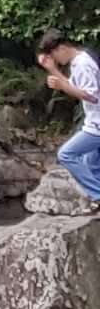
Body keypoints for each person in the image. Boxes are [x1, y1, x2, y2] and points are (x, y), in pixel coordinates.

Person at [38, 34, 100, 199]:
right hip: (94, 121)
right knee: (92, 165)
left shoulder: (82, 64)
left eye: (54, 56)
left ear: (62, 48)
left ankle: (97, 196)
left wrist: (61, 86)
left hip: (97, 125)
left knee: (66, 154)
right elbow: (74, 86)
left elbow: (91, 96)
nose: (56, 60)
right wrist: (53, 70)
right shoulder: (81, 59)